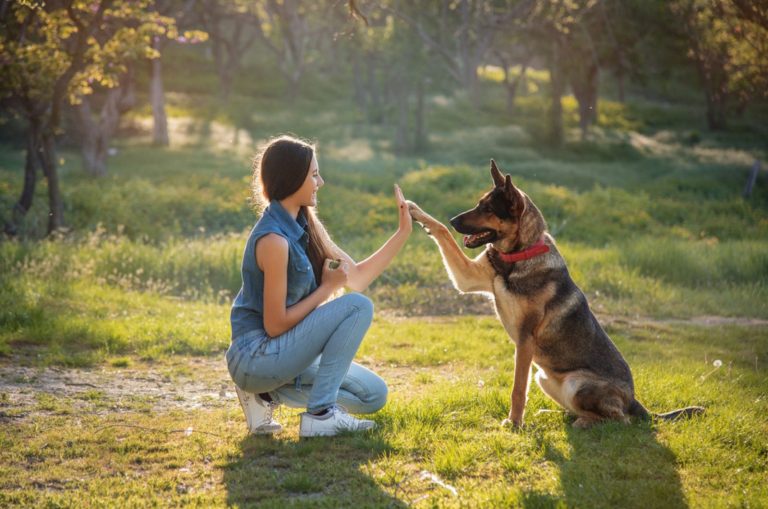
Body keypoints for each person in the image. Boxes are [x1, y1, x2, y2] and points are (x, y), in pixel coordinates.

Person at [226, 135, 412, 437]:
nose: (320, 182)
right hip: (255, 357)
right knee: (358, 307)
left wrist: (402, 232)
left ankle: (266, 394)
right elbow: (274, 325)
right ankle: (321, 414)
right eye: (314, 174)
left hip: (282, 355)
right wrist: (326, 289)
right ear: (292, 178)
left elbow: (359, 277)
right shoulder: (273, 240)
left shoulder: (305, 224)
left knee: (373, 394)